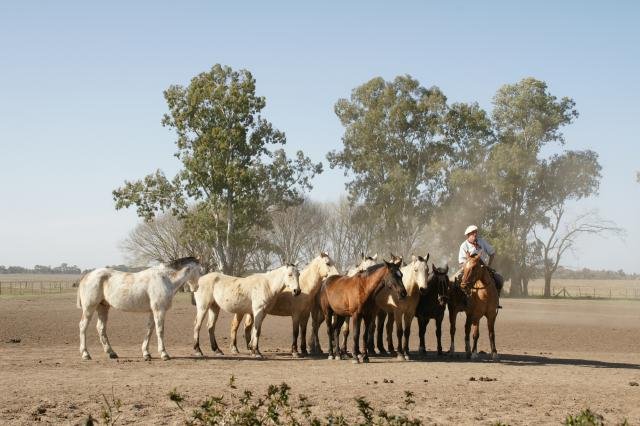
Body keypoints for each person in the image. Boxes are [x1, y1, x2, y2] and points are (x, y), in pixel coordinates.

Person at [455, 225, 504, 306]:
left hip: (483, 268)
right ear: (468, 235)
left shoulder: (482, 241)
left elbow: (492, 253)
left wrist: (488, 265)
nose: (475, 234)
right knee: (456, 282)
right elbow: (461, 262)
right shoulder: (464, 245)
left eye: (475, 232)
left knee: (499, 279)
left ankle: (495, 301)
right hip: (469, 269)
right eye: (472, 233)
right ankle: (460, 302)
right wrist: (469, 266)